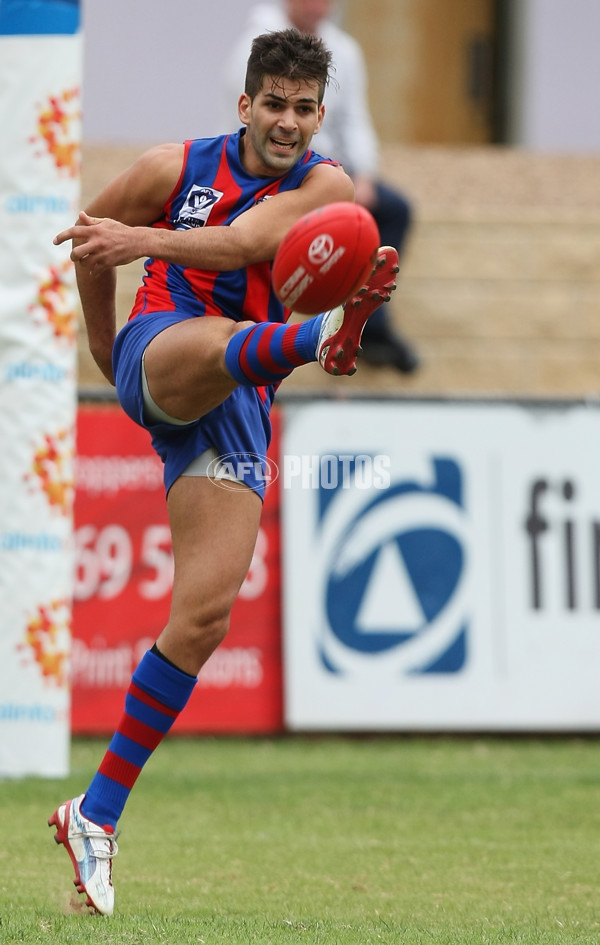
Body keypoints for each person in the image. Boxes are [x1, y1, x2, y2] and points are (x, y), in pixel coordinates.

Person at [47, 28, 399, 916]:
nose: (287, 122)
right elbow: (94, 234)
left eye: (304, 108)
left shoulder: (327, 188)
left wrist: (145, 240)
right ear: (243, 104)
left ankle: (95, 813)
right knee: (221, 344)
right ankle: (320, 340)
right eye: (272, 104)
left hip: (238, 399)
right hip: (164, 354)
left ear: (322, 116)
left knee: (203, 614)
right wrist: (102, 341)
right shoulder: (174, 168)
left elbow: (244, 248)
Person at [221, 0, 419, 374]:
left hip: (326, 168)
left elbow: (356, 120)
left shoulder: (345, 50)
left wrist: (363, 175)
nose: (318, 6)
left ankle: (366, 327)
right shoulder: (256, 45)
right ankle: (324, 321)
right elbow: (265, 127)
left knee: (392, 210)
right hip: (273, 168)